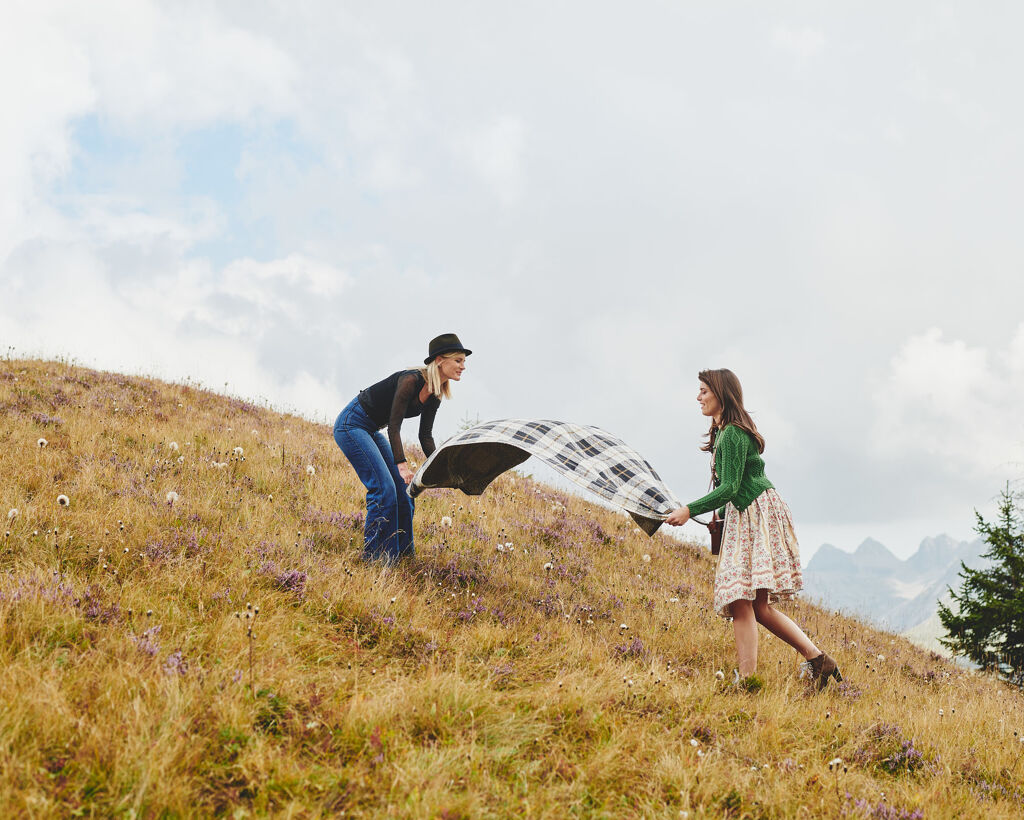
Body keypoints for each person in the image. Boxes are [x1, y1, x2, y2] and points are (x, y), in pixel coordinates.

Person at [666, 369, 841, 691]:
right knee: (756, 605)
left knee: (741, 600)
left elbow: (732, 487)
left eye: (704, 390)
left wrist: (689, 510)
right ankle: (819, 661)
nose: (698, 397)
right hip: (753, 510)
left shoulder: (732, 434)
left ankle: (747, 681)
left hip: (752, 512)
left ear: (721, 393)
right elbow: (734, 486)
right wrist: (716, 514)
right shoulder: (726, 433)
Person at [334, 333, 470, 562]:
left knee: (405, 493)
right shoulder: (410, 380)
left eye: (464, 361)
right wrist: (402, 466)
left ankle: (404, 559)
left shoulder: (436, 392)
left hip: (370, 428)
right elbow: (394, 427)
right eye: (458, 360)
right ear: (439, 360)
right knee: (384, 489)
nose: (463, 366)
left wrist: (444, 471)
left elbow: (425, 436)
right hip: (352, 423)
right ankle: (375, 560)